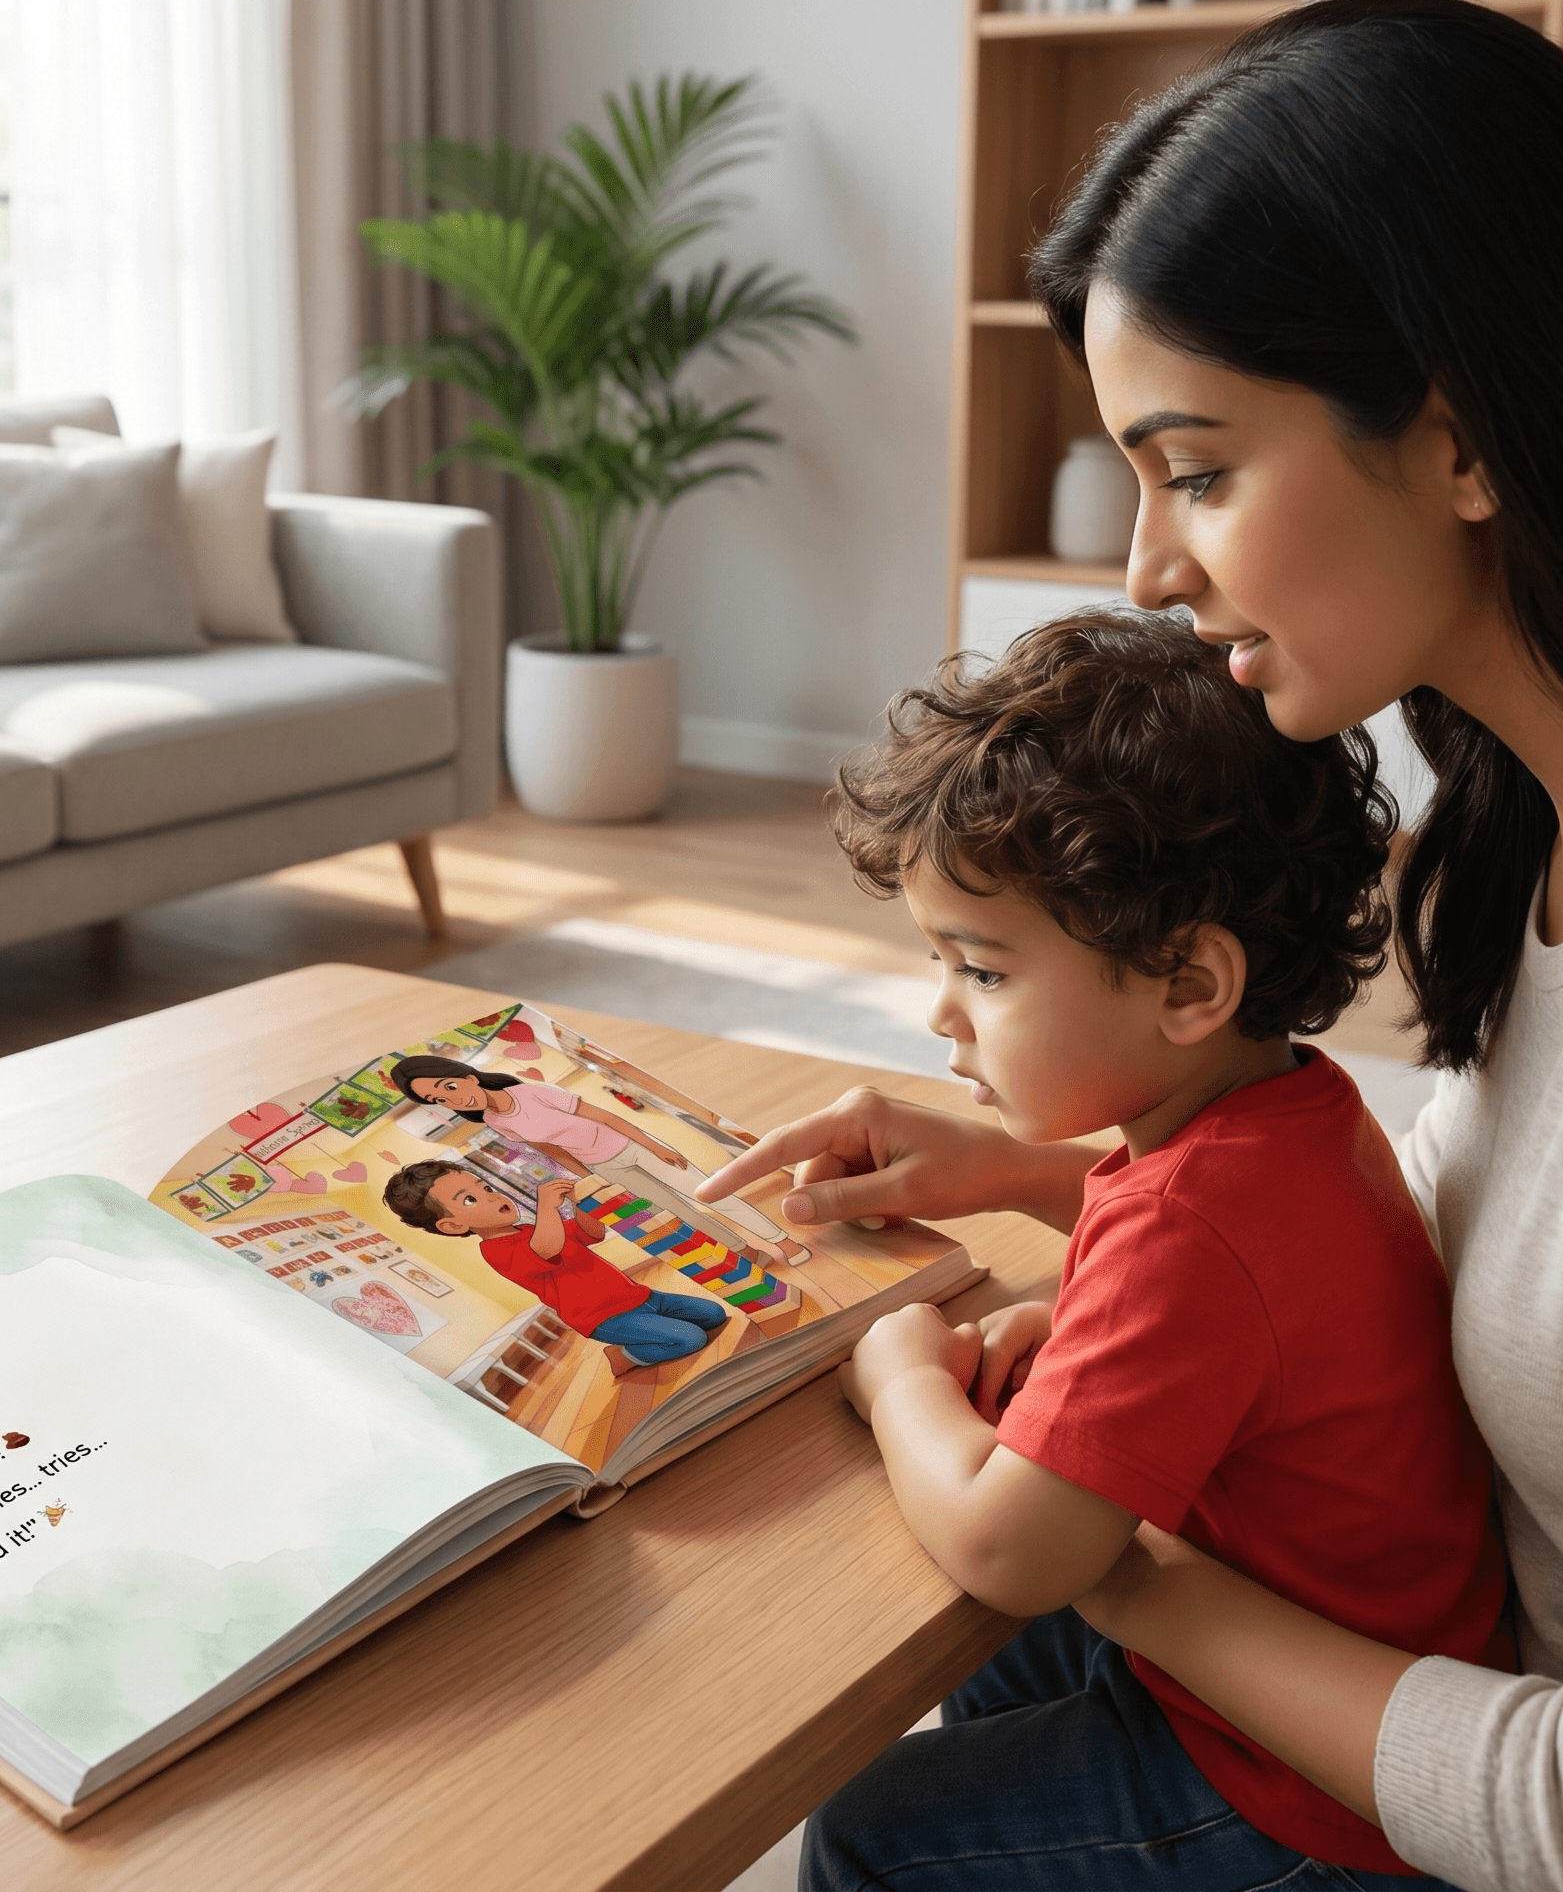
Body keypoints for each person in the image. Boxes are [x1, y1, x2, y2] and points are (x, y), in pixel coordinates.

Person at [701, 0, 1563, 1890]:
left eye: (1194, 467)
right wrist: (1046, 1166)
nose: (1145, 566)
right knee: (957, 1655)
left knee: (889, 1795)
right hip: (1417, 1642)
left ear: (1456, 437)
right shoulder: (1529, 824)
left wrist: (1134, 1569)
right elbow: (1457, 1209)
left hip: (1481, 1788)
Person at [807, 607, 1500, 1885]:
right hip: (1345, 1625)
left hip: (1303, 1792)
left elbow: (1012, 1548)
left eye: (984, 971)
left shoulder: (1184, 1224)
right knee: (1000, 1660)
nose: (940, 1014)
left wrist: (897, 1377)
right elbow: (1224, 1309)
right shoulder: (1294, 1107)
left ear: (1189, 986)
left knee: (872, 1830)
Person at [386, 1055, 810, 1267]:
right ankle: (745, 1252)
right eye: (438, 1099)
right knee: (678, 1212)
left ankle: (783, 1243)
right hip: (606, 1168)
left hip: (634, 1147)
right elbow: (550, 1150)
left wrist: (655, 1145)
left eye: (448, 1086)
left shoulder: (529, 1092)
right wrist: (589, 1178)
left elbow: (602, 1115)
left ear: (467, 1076)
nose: (451, 1098)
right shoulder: (496, 1120)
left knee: (709, 1193)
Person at [382, 1160, 726, 1366]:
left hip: (640, 1296)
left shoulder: (529, 1229)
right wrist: (546, 1205)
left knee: (712, 1315)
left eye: (485, 1186)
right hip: (603, 1317)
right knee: (689, 1339)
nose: (491, 1195)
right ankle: (625, 1356)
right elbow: (546, 1248)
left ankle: (651, 1327)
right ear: (454, 1225)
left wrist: (583, 1203)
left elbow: (590, 1234)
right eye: (471, 1199)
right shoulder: (497, 1251)